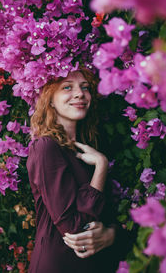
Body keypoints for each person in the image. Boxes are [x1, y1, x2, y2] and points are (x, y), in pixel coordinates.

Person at [26, 67, 126, 273]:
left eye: (85, 87)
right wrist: (101, 166)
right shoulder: (46, 147)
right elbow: (74, 229)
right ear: (50, 99)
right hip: (59, 265)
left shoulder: (89, 148)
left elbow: (107, 215)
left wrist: (110, 235)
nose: (80, 93)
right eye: (67, 87)